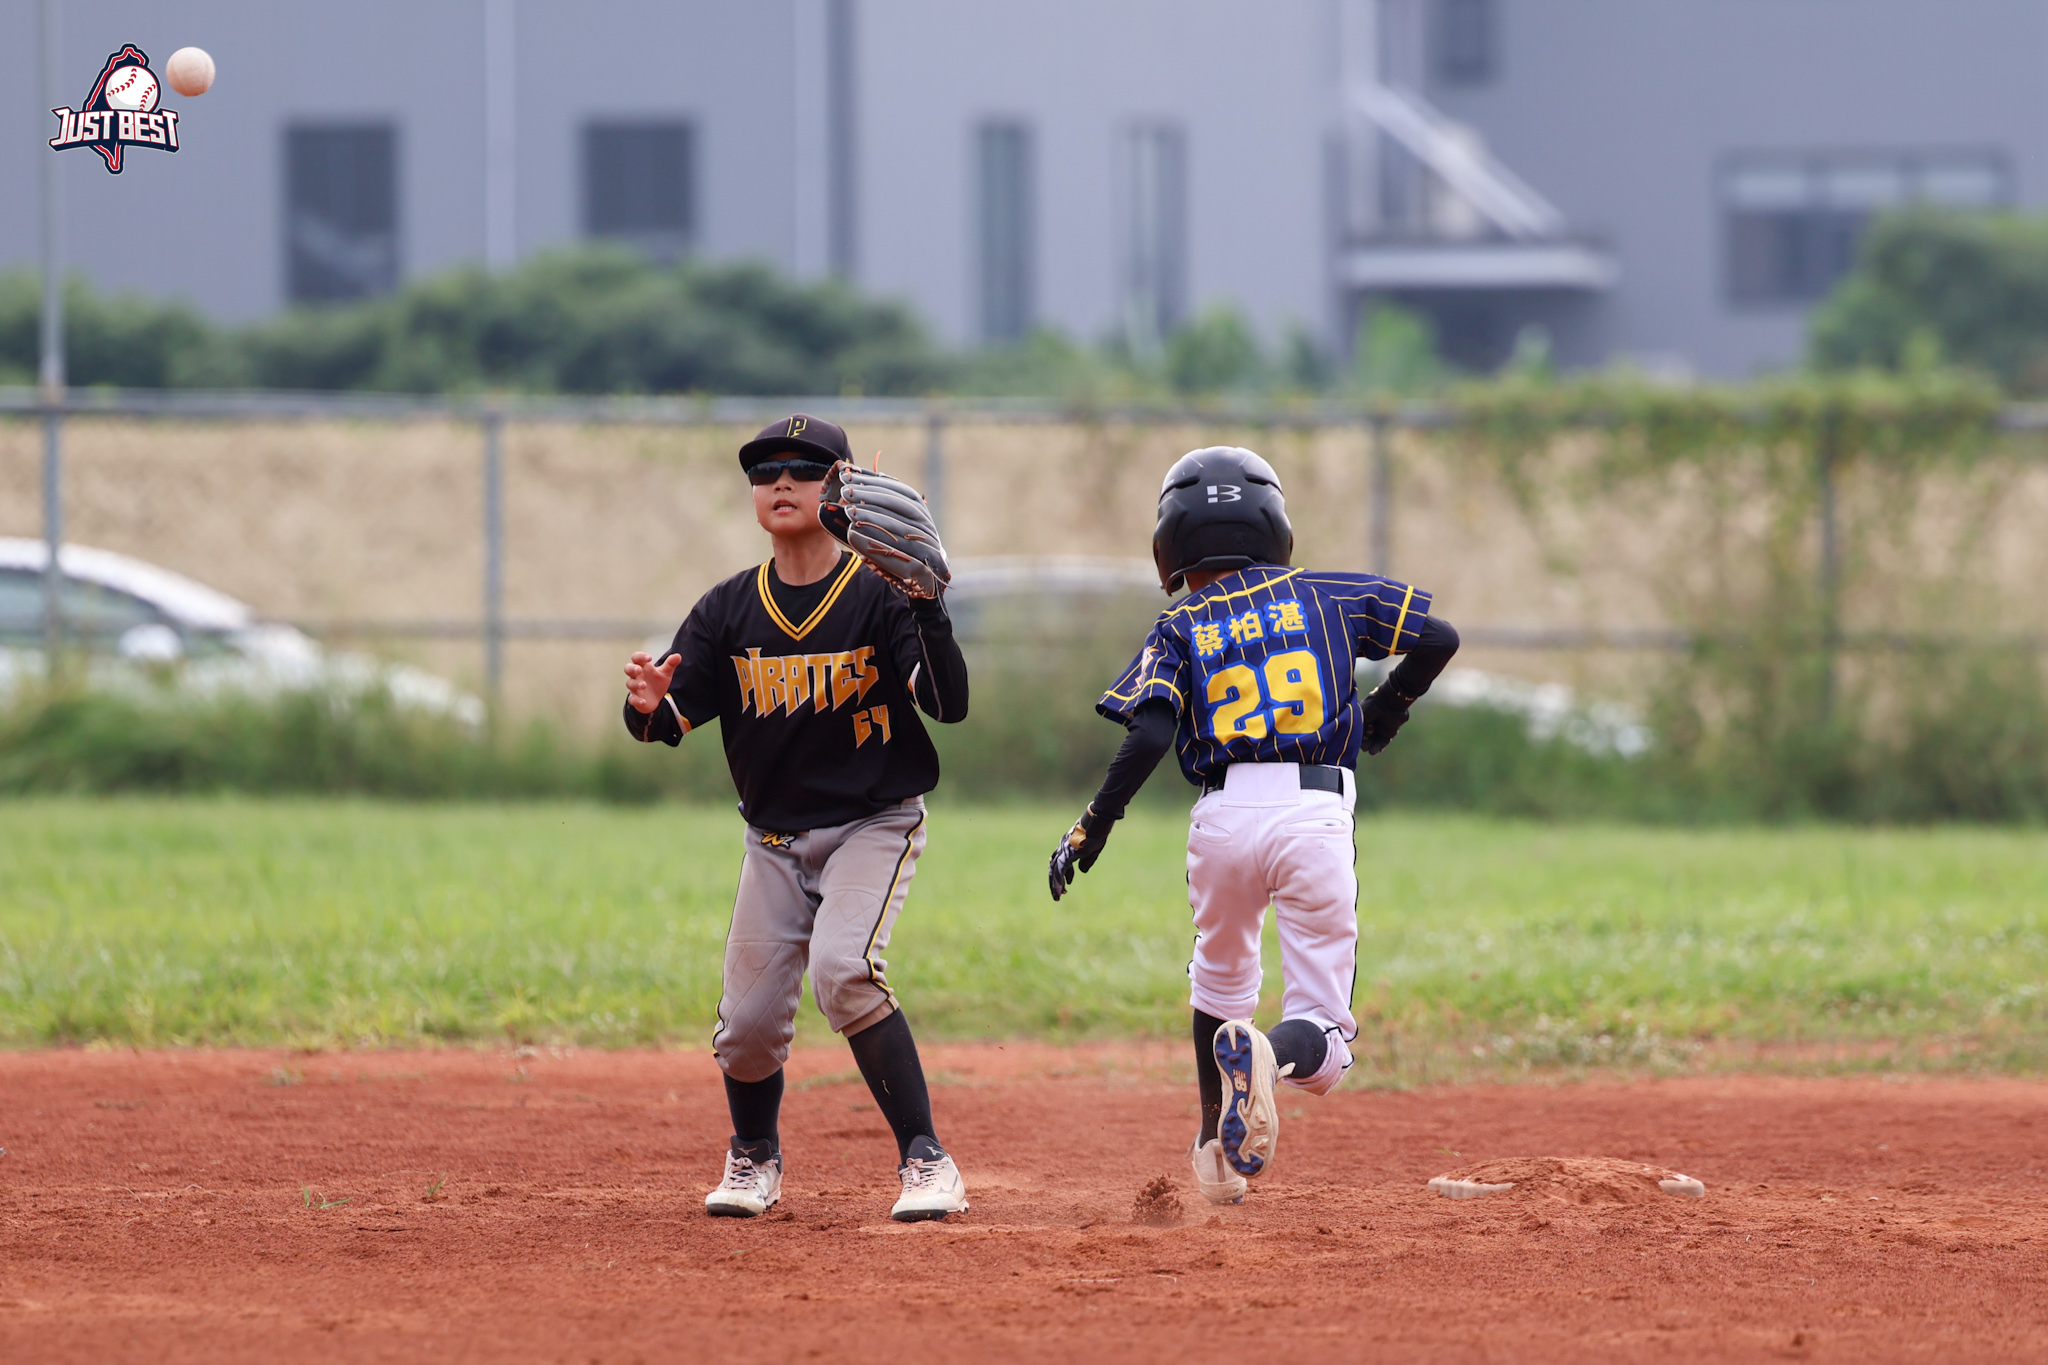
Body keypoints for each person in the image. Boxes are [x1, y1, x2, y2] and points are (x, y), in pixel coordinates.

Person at [1047, 445, 1459, 1205]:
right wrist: (1388, 705)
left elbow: (1149, 731)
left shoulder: (1181, 623)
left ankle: (1214, 1145)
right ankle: (1268, 1055)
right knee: (1323, 1033)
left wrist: (1093, 823)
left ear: (1170, 547)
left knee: (1220, 974)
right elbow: (1438, 637)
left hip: (1223, 817)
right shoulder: (1330, 595)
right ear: (1276, 528)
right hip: (1313, 811)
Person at [623, 413, 971, 1222]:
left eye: (806, 468)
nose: (781, 481)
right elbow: (664, 720)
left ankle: (928, 1160)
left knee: (843, 971)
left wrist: (929, 608)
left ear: (842, 488)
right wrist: (644, 706)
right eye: (764, 470)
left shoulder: (880, 595)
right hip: (773, 839)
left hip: (873, 823)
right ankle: (753, 1156)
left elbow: (948, 704)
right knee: (745, 1028)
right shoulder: (728, 610)